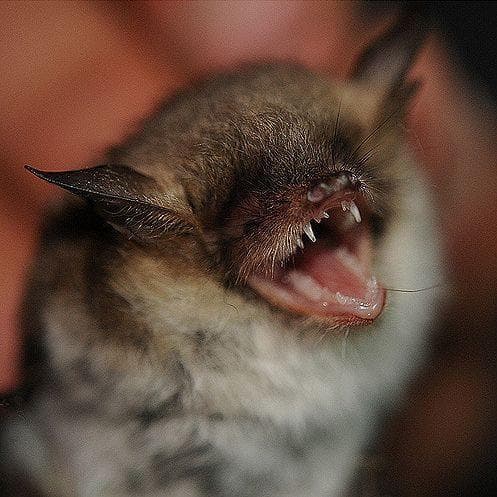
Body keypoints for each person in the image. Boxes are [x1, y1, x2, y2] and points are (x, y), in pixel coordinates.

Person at [1, 2, 496, 496]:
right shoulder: (115, 309)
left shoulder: (407, 221)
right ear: (163, 228)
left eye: (343, 175)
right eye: (254, 218)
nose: (330, 190)